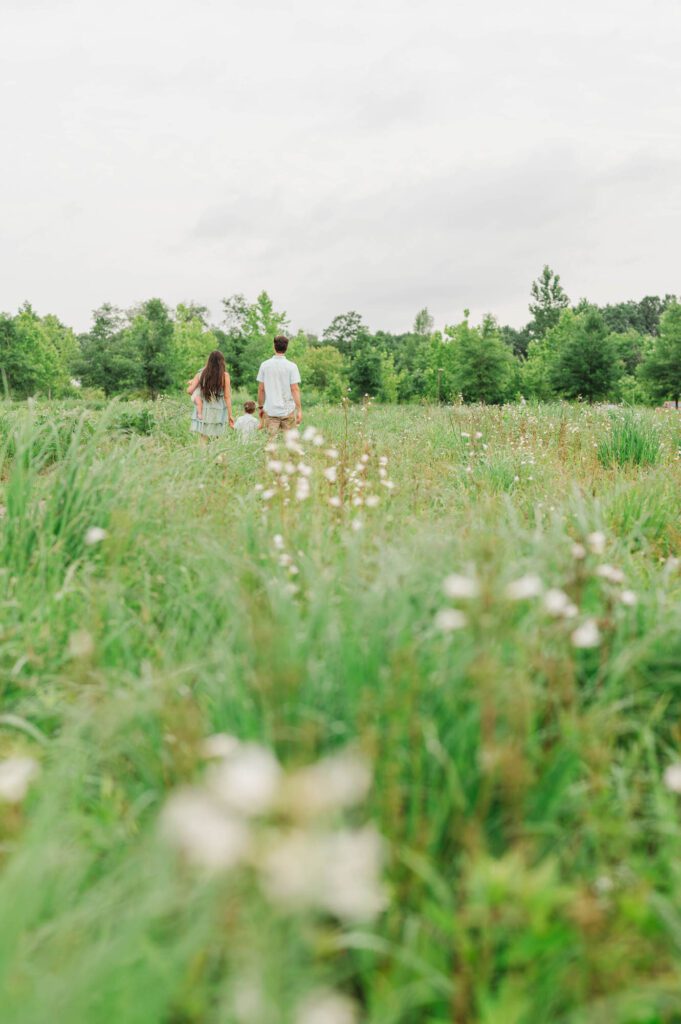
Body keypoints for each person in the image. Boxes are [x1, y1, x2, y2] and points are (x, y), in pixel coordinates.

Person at [256, 335, 302, 436]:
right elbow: (294, 389)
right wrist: (299, 410)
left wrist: (260, 407)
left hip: (270, 411)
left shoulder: (265, 365)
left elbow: (261, 389)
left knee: (270, 444)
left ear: (274, 346)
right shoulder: (292, 366)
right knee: (290, 443)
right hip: (288, 411)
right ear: (287, 347)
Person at [187, 350, 235, 442]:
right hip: (219, 410)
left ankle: (202, 456)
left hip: (205, 409)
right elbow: (227, 397)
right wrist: (230, 415)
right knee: (217, 439)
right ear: (222, 362)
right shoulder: (225, 376)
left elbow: (189, 391)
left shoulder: (201, 374)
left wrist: (193, 384)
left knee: (203, 438)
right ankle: (216, 456)